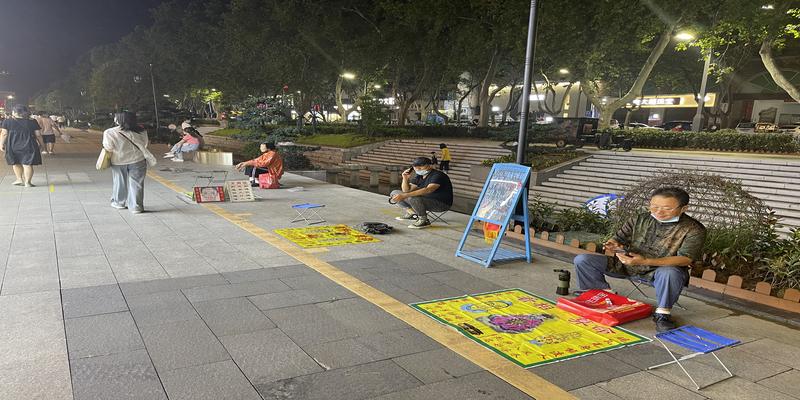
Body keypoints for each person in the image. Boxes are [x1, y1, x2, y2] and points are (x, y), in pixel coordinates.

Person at [573, 187, 706, 332]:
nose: (658, 212)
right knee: (583, 259)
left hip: (660, 271)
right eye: (654, 207)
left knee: (671, 272)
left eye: (667, 208)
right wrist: (613, 244)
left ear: (683, 208)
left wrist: (645, 261)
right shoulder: (640, 219)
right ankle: (600, 295)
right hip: (628, 263)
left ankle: (662, 314)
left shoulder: (694, 229)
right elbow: (618, 238)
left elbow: (685, 259)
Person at [102, 112, 150, 213]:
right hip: (138, 160)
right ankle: (136, 207)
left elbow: (108, 147)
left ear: (119, 120)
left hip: (119, 161)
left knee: (119, 182)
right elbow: (145, 144)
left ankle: (119, 203)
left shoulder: (109, 132)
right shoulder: (141, 131)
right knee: (137, 184)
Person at [390, 156, 453, 229]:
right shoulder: (419, 176)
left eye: (421, 167)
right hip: (425, 200)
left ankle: (424, 220)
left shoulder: (438, 175)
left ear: (430, 166)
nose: (418, 169)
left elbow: (428, 190)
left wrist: (405, 196)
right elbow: (406, 190)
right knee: (395, 193)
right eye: (416, 168)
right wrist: (405, 178)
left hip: (441, 204)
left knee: (412, 197)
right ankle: (412, 214)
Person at [0, 104, 43, 187]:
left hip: (13, 144)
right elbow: (38, 135)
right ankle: (28, 182)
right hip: (29, 144)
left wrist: (1, 144)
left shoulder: (7, 121)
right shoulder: (32, 121)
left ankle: (19, 179)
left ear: (14, 112)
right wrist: (42, 144)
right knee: (27, 164)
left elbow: (4, 134)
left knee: (16, 162)